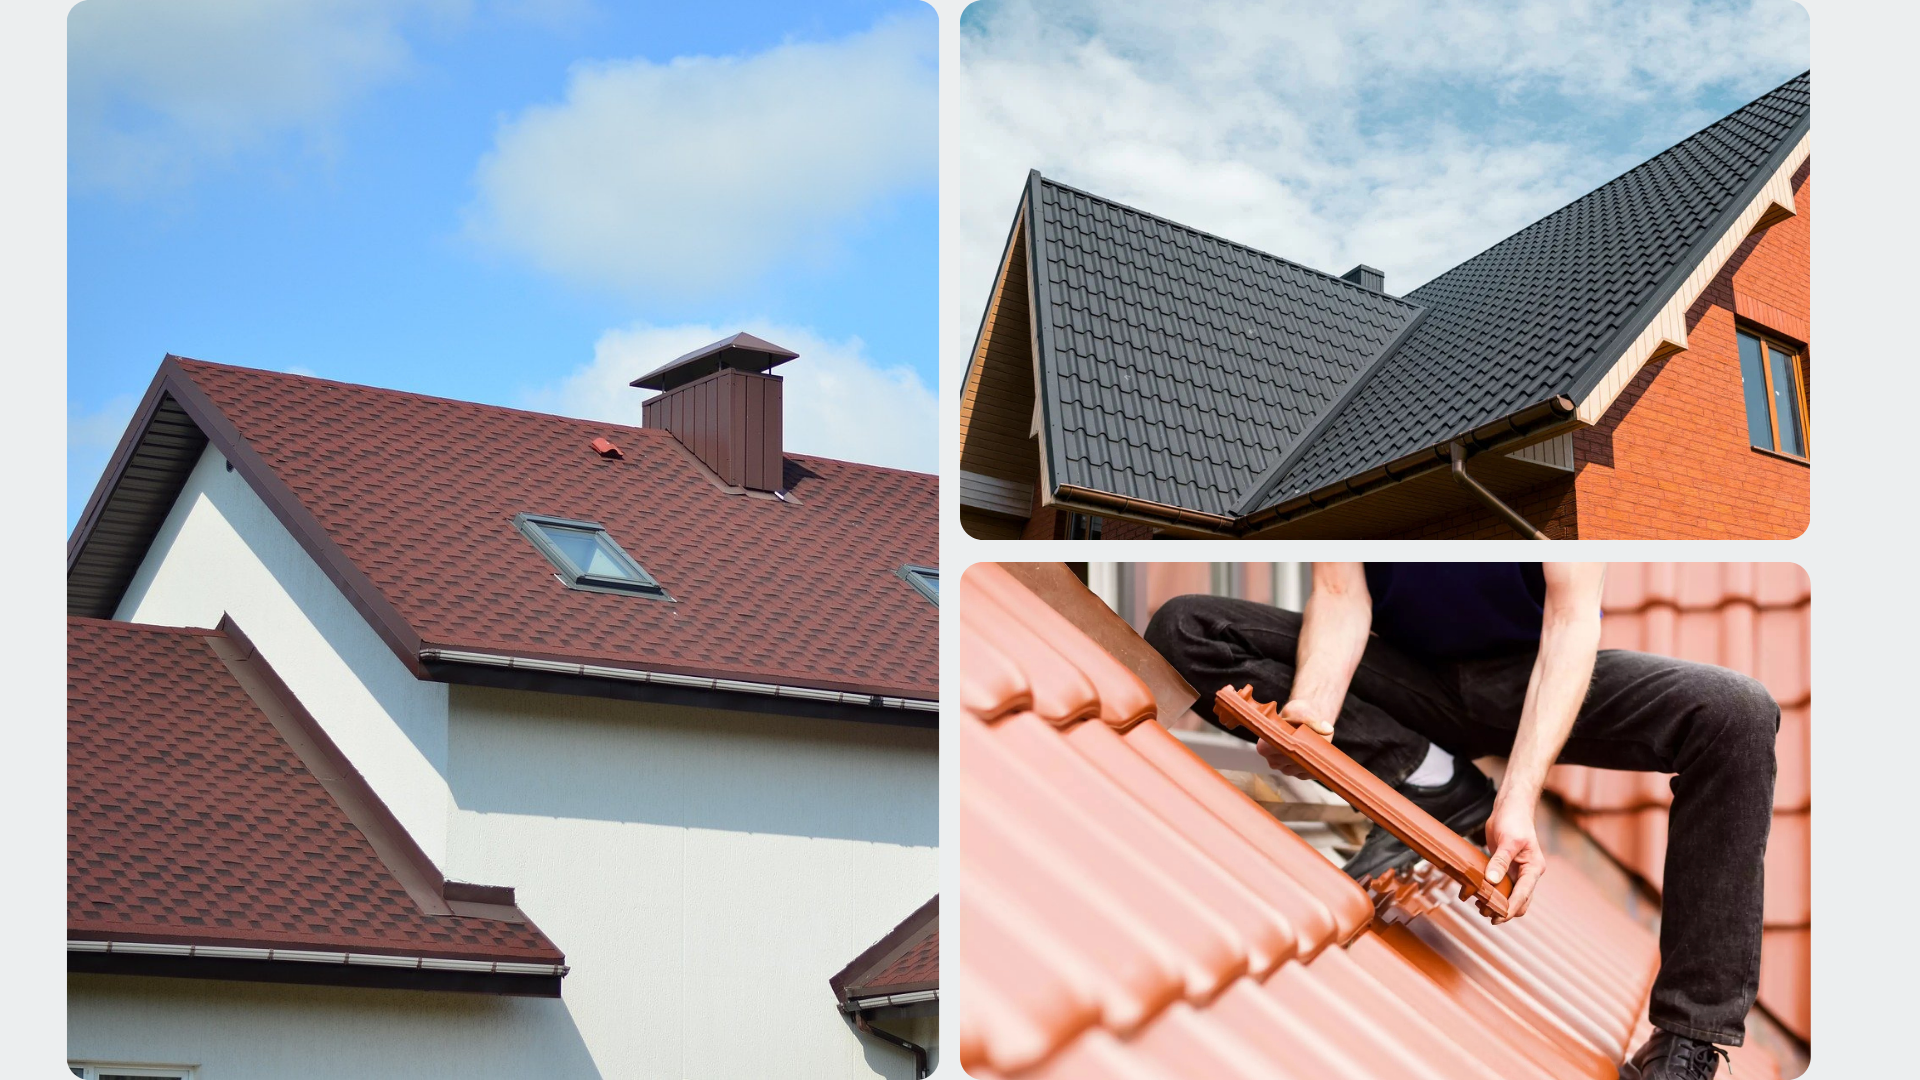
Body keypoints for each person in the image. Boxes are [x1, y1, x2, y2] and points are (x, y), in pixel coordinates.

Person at [1144, 563, 1778, 1080]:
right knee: (1188, 627)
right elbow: (1339, 594)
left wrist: (1519, 801)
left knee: (1736, 714)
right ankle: (1431, 777)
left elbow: (1570, 624)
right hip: (1407, 675)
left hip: (1527, 677)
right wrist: (1311, 708)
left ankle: (1689, 1038)